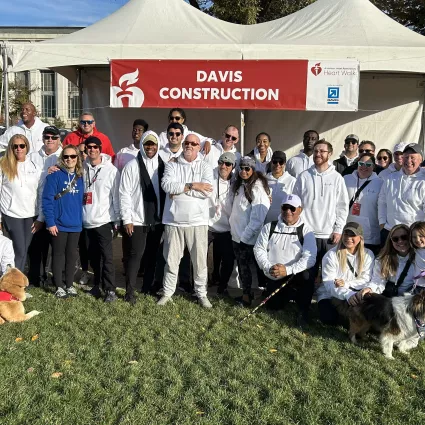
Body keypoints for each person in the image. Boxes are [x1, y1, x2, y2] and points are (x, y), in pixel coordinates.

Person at [157, 133, 214, 308]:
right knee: (172, 261)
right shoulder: (172, 164)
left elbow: (207, 191)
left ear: (199, 147)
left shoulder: (205, 166)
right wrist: (192, 185)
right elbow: (166, 186)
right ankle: (167, 293)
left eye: (193, 143)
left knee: (199, 263)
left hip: (198, 222)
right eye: (187, 142)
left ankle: (201, 294)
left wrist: (181, 188)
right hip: (174, 222)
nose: (189, 146)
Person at [254, 194, 317, 325]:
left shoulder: (306, 231)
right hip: (274, 274)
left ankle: (303, 309)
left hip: (294, 276)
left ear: (300, 209)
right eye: (285, 208)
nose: (288, 211)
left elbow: (310, 258)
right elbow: (258, 249)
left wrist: (287, 270)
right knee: (274, 306)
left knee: (307, 275)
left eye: (292, 208)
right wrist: (268, 267)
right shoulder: (269, 227)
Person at [120, 131, 166, 303]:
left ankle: (147, 287)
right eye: (147, 144)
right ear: (142, 145)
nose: (150, 147)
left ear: (157, 145)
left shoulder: (163, 165)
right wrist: (127, 219)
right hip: (137, 220)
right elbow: (124, 193)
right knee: (135, 256)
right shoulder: (132, 166)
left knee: (152, 255)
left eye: (153, 144)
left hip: (157, 219)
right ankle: (129, 292)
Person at [293, 140, 349, 272]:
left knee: (327, 273)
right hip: (306, 233)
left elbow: (342, 206)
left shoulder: (337, 178)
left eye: (322, 151)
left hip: (328, 235)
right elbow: (296, 203)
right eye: (316, 151)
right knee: (306, 274)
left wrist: (338, 229)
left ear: (330, 154)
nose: (318, 154)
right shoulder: (304, 176)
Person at [42, 145, 84, 298]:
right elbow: (47, 201)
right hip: (58, 224)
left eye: (73, 156)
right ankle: (59, 285)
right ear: (62, 159)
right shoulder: (54, 176)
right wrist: (50, 222)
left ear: (77, 158)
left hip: (76, 224)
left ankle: (69, 284)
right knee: (58, 255)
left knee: (72, 256)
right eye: (66, 157)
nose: (69, 159)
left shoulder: (81, 178)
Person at [82, 136, 120, 302]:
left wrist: (117, 221)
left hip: (104, 221)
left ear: (100, 148)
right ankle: (97, 286)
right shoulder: (82, 168)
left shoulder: (111, 170)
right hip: (86, 221)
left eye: (95, 147)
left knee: (107, 258)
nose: (92, 150)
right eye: (89, 147)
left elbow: (116, 197)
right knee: (94, 257)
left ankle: (110, 290)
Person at [229, 156, 271, 307]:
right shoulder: (240, 185)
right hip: (237, 235)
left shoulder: (257, 188)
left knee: (248, 268)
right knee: (242, 267)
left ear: (253, 170)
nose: (244, 171)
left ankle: (249, 298)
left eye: (247, 168)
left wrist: (244, 238)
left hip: (247, 238)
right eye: (241, 168)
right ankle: (247, 294)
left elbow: (258, 218)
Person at [317, 222, 375, 326]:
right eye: (346, 234)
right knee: (329, 319)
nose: (348, 238)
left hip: (356, 293)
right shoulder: (331, 255)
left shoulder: (368, 254)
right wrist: (347, 294)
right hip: (331, 295)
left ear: (360, 237)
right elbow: (329, 283)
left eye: (352, 235)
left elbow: (366, 279)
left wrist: (347, 284)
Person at [0, 134, 42, 272]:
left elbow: (40, 190)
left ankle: (17, 283)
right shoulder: (3, 164)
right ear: (11, 148)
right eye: (15, 146)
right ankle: (12, 283)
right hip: (11, 213)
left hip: (31, 214)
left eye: (21, 146)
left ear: (26, 147)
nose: (19, 149)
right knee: (20, 249)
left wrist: (41, 217)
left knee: (24, 250)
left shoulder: (35, 165)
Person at [27, 126, 63, 287]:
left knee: (56, 249)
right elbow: (30, 182)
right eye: (47, 137)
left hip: (57, 210)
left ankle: (58, 281)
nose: (50, 140)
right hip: (34, 207)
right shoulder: (32, 156)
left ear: (59, 139)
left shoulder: (64, 156)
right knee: (36, 247)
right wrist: (44, 173)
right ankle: (37, 279)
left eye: (53, 137)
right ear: (42, 138)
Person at [378, 143, 425, 245]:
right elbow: (382, 202)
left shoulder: (423, 180)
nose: (408, 161)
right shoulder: (390, 178)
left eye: (413, 157)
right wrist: (382, 224)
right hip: (390, 232)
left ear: (421, 160)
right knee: (388, 260)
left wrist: (421, 232)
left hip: (413, 235)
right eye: (406, 157)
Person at [343, 152, 383, 255]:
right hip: (348, 233)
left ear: (373, 167)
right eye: (361, 163)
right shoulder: (346, 179)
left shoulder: (380, 183)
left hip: (369, 236)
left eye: (368, 164)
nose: (364, 167)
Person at [208, 152, 236, 296]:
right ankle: (197, 286)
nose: (223, 166)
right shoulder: (209, 176)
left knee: (228, 259)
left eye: (227, 164)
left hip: (227, 227)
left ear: (233, 166)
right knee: (199, 255)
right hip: (208, 225)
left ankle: (222, 287)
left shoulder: (237, 182)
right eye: (221, 162)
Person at [370, 224, 415, 297]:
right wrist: (370, 289)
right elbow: (378, 281)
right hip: (388, 300)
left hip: (410, 300)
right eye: (395, 239)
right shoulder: (383, 259)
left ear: (410, 238)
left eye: (404, 237)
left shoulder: (419, 259)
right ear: (391, 242)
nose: (400, 241)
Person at [264, 150, 296, 223]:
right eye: (275, 161)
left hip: (283, 224)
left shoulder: (292, 181)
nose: (277, 164)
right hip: (266, 223)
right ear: (271, 162)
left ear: (284, 164)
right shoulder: (263, 180)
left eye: (281, 162)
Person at [409, 221, 425, 294]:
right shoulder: (415, 250)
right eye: (414, 237)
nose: (418, 240)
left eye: (421, 235)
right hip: (417, 287)